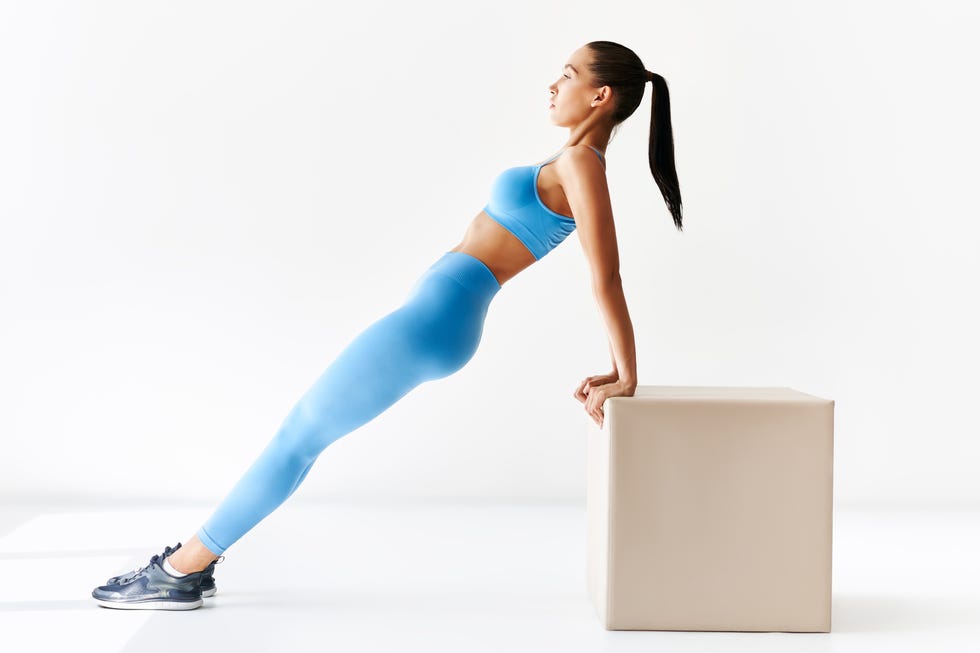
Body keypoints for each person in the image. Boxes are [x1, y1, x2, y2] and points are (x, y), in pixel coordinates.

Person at [91, 40, 683, 610]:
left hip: (434, 320)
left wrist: (626, 373)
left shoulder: (581, 162)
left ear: (601, 94)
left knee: (298, 436)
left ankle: (179, 571)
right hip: (437, 316)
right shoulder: (571, 159)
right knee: (303, 437)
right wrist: (617, 366)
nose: (553, 84)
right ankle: (194, 564)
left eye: (568, 74)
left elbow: (606, 275)